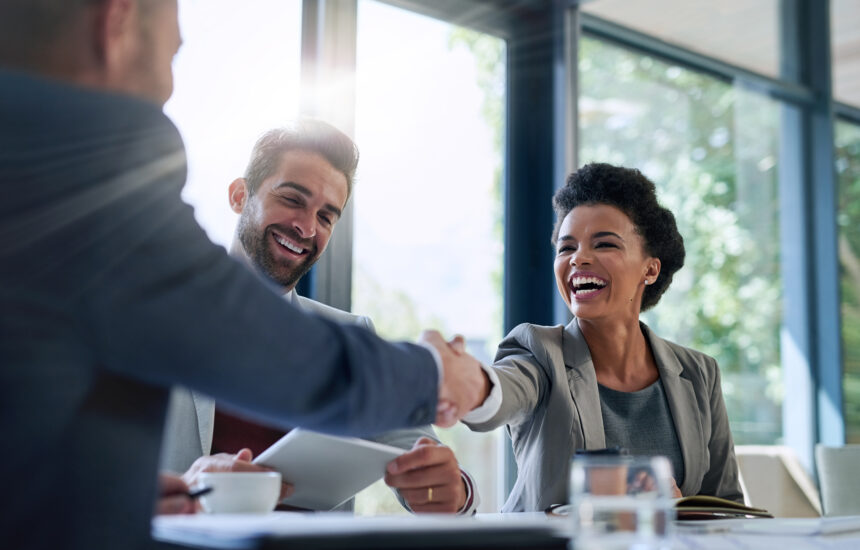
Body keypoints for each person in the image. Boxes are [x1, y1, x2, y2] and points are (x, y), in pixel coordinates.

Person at [0, 1, 488, 548]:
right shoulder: (91, 175)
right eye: (172, 54)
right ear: (116, 22)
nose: (166, 87)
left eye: (327, 214)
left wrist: (132, 497)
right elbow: (269, 350)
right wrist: (435, 372)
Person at [160, 124, 479, 515]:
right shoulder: (158, 311)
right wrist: (190, 486)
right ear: (240, 196)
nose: (307, 227)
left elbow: (421, 455)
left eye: (326, 217)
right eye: (293, 199)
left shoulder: (352, 337)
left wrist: (452, 490)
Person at [463, 163, 743, 512]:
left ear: (650, 269)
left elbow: (726, 506)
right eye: (566, 248)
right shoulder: (538, 353)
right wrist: (464, 382)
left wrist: (677, 508)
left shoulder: (700, 373)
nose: (579, 258)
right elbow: (498, 394)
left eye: (605, 244)